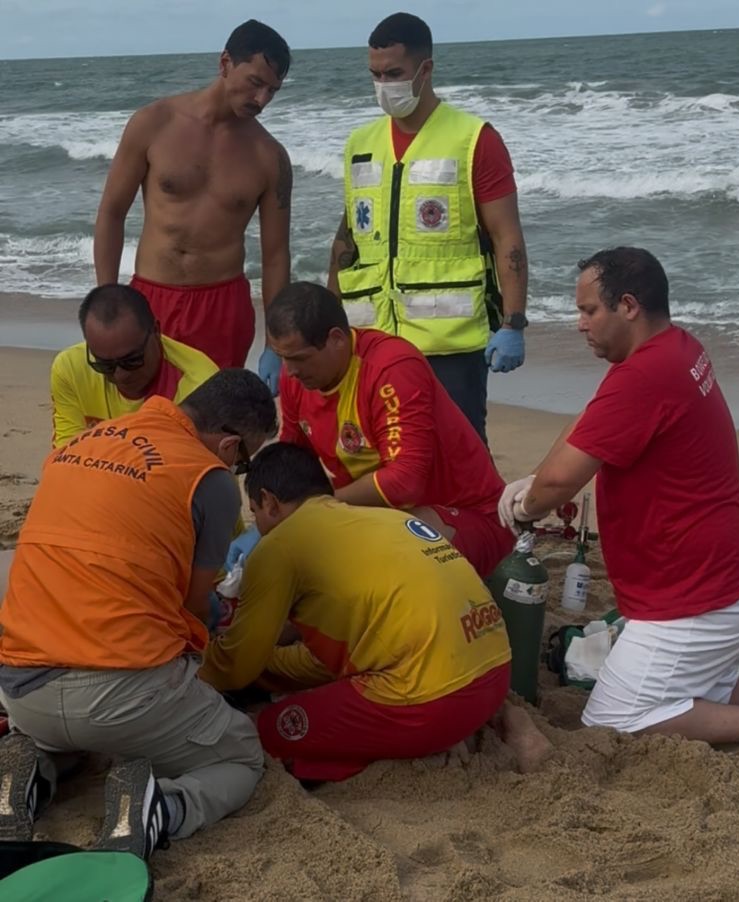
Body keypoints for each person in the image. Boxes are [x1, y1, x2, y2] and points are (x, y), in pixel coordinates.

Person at [499, 247, 739, 743]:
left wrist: (525, 507)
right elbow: (588, 426)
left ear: (629, 306)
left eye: (588, 310)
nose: (579, 324)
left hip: (703, 595)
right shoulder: (673, 348)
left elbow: (560, 484)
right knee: (709, 686)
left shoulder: (643, 376)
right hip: (733, 577)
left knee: (610, 720)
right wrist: (536, 479)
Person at [0, 369, 276, 857]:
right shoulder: (208, 478)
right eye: (245, 460)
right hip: (120, 695)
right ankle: (162, 808)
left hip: (22, 688)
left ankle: (29, 771)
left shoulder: (81, 442)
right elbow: (194, 605)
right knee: (241, 757)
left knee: (66, 740)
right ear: (231, 446)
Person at [198, 443, 512, 783]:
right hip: (495, 676)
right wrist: (269, 664)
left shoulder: (279, 546)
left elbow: (236, 665)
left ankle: (406, 749)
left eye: (255, 512)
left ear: (270, 501)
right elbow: (323, 663)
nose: (257, 526)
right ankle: (499, 726)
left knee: (264, 732)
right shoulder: (389, 518)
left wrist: (194, 665)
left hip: (431, 703)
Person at [327, 13, 530, 445]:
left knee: (458, 453)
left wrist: (512, 324)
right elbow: (347, 239)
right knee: (385, 450)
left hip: (450, 344)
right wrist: (328, 319)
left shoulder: (474, 139)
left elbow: (506, 235)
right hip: (372, 337)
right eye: (375, 74)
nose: (384, 85)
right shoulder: (359, 143)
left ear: (426, 69)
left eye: (394, 73)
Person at [254, 282, 511, 579]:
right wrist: (265, 525)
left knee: (367, 557)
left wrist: (318, 507)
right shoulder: (297, 377)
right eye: (281, 356)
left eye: (298, 358)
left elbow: (405, 482)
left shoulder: (391, 368)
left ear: (337, 339)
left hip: (466, 516)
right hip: (373, 513)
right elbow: (292, 462)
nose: (290, 370)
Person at [94, 20, 292, 373]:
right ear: (225, 63)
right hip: (151, 299)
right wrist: (106, 299)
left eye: (272, 91)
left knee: (213, 422)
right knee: (146, 419)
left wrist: (275, 343)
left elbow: (275, 256)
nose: (261, 100)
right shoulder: (153, 123)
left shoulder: (269, 156)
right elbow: (111, 213)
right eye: (255, 83)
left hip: (222, 306)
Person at [50, 283, 218, 449]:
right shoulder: (70, 369)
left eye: (131, 360)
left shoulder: (201, 386)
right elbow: (67, 454)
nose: (120, 375)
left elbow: (199, 470)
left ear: (156, 331)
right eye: (105, 365)